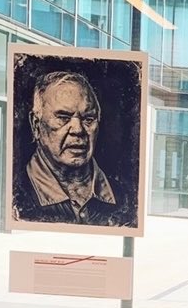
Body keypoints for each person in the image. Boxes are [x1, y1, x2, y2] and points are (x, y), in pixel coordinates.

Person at [12, 71, 136, 227]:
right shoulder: (14, 194)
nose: (78, 130)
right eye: (63, 117)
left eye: (88, 119)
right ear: (36, 125)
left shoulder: (126, 198)